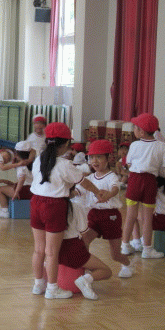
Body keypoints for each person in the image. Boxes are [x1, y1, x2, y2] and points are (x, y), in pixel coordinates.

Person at [29, 122, 105, 299]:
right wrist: (98, 192)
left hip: (35, 203)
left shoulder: (39, 159)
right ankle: (52, 289)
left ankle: (38, 284)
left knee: (39, 249)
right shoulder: (64, 164)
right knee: (51, 252)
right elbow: (83, 182)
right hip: (54, 206)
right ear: (64, 144)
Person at [120, 114, 165, 259]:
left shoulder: (134, 145)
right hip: (150, 182)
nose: (134, 130)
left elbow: (129, 164)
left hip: (134, 180)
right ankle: (147, 249)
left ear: (141, 131)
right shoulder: (161, 146)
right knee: (147, 218)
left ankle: (125, 246)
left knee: (130, 216)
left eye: (135, 127)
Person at [79, 140, 133, 278]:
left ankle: (127, 264)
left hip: (111, 217)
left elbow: (115, 188)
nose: (94, 161)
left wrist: (109, 194)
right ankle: (85, 266)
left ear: (108, 158)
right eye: (91, 157)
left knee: (115, 254)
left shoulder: (112, 176)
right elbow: (80, 190)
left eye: (99, 157)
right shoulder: (90, 178)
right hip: (94, 215)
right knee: (84, 241)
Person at [56, 201, 112, 300]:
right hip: (73, 249)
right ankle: (84, 280)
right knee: (106, 271)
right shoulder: (75, 206)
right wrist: (85, 255)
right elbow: (85, 235)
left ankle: (45, 284)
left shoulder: (50, 205)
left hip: (56, 248)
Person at [0, 141, 34, 218]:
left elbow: (22, 179)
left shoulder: (21, 165)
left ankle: (4, 211)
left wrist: (16, 192)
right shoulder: (34, 162)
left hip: (26, 191)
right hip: (34, 189)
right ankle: (7, 209)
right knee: (11, 185)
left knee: (0, 190)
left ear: (17, 154)